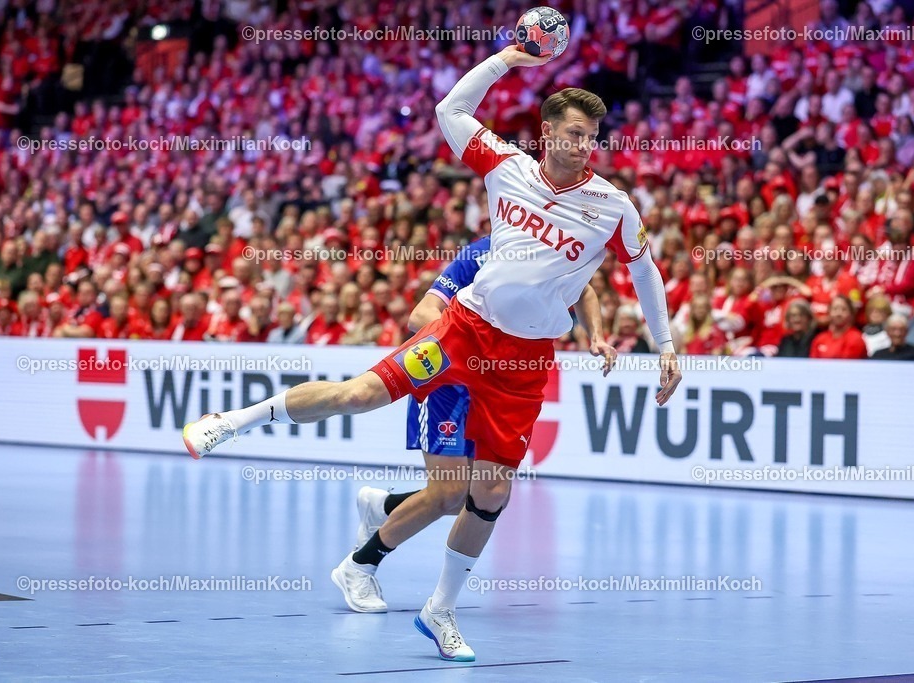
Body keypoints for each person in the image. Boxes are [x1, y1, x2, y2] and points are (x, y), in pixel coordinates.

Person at [183, 46, 683, 662]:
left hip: (525, 365)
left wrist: (665, 345)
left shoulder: (614, 207)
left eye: (593, 137)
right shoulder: (506, 164)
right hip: (464, 332)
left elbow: (645, 273)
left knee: (491, 493)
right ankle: (232, 422)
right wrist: (511, 58)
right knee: (359, 394)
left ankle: (440, 609)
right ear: (548, 131)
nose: (585, 145)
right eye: (574, 134)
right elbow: (451, 107)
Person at [333, 235, 611, 615]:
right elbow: (420, 315)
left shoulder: (553, 249)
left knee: (481, 496)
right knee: (448, 495)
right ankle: (358, 566)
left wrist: (596, 334)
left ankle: (383, 505)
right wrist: (477, 346)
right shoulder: (483, 251)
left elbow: (585, 290)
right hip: (449, 385)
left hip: (493, 390)